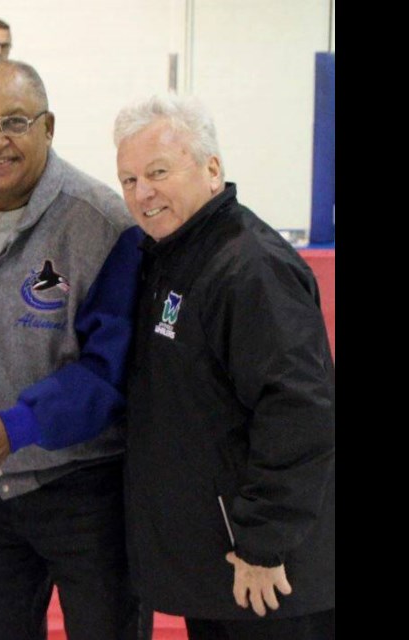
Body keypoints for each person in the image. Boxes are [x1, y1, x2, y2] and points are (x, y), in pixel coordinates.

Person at [0, 59, 145, 640]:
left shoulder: (104, 224)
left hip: (86, 490)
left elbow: (109, 373)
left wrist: (18, 425)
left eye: (14, 122)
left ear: (48, 127)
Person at [113, 94, 335, 639]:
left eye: (158, 172)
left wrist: (263, 542)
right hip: (219, 567)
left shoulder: (249, 268)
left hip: (268, 577)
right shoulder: (173, 255)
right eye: (129, 180)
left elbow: (298, 411)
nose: (143, 193)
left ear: (212, 168)